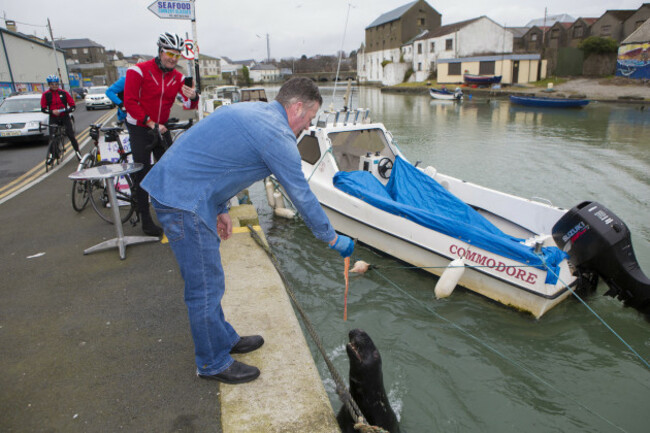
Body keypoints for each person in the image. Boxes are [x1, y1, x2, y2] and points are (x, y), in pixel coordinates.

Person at [141, 77, 354, 384]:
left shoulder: (257, 112)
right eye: (309, 118)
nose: (308, 126)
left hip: (188, 193)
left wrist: (221, 208)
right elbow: (301, 195)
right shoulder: (277, 135)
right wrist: (331, 237)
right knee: (204, 286)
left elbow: (220, 159)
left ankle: (223, 340)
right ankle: (212, 363)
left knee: (210, 278)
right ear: (297, 108)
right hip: (182, 201)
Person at [123, 32, 199, 236]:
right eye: (169, 53)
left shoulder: (178, 77)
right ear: (160, 51)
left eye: (177, 55)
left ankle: (173, 214)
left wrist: (193, 97)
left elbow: (188, 105)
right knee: (143, 172)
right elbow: (129, 102)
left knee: (169, 171)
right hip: (140, 126)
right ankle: (146, 221)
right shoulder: (137, 71)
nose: (173, 59)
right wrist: (149, 122)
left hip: (161, 126)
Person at [40, 74, 81, 161]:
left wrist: (64, 111)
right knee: (52, 137)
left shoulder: (64, 93)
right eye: (52, 84)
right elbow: (43, 109)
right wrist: (52, 111)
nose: (54, 86)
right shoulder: (46, 95)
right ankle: (53, 155)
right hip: (53, 117)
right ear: (49, 85)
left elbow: (72, 106)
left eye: (56, 84)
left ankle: (78, 152)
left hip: (64, 117)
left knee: (71, 135)